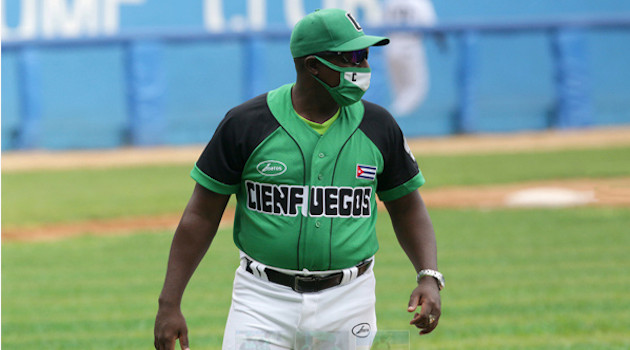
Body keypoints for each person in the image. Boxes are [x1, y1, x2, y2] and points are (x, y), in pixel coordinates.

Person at [154, 8, 443, 350]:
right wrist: (169, 303)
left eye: (365, 56)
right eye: (350, 57)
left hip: (349, 301)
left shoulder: (378, 126)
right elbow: (201, 214)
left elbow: (407, 207)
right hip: (262, 299)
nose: (363, 68)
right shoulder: (246, 125)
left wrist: (429, 275)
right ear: (313, 65)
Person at [383, 0, 440, 117]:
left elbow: (382, 22)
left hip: (391, 47)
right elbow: (432, 25)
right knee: (417, 90)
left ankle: (393, 121)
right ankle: (392, 117)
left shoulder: (391, 2)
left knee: (399, 93)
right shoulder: (420, 2)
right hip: (410, 47)